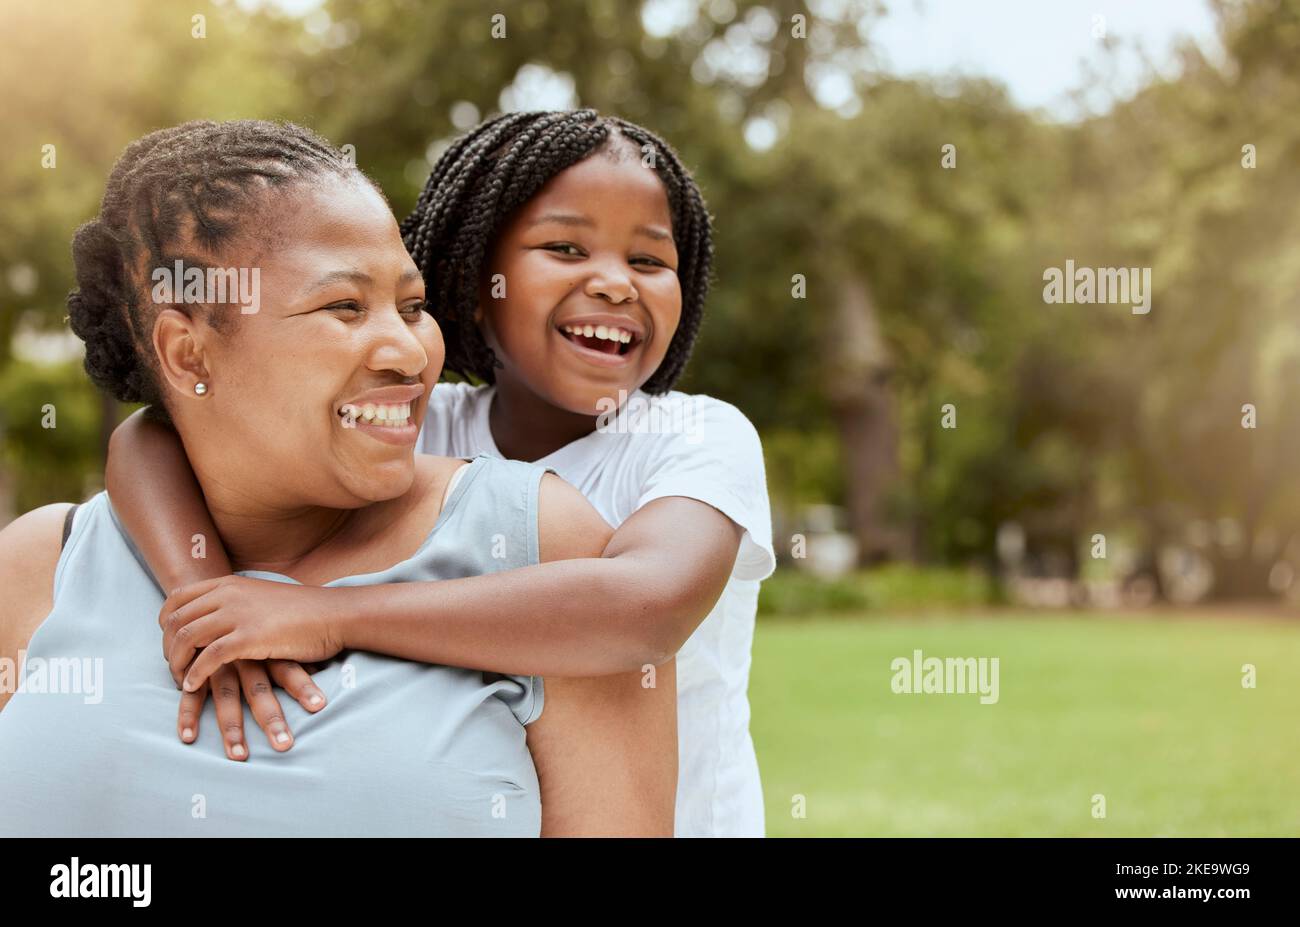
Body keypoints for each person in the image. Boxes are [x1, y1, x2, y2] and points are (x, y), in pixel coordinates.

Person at [0, 120, 676, 836]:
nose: (410, 353)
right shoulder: (43, 562)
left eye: (412, 307)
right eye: (344, 306)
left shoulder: (539, 546)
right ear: (188, 354)